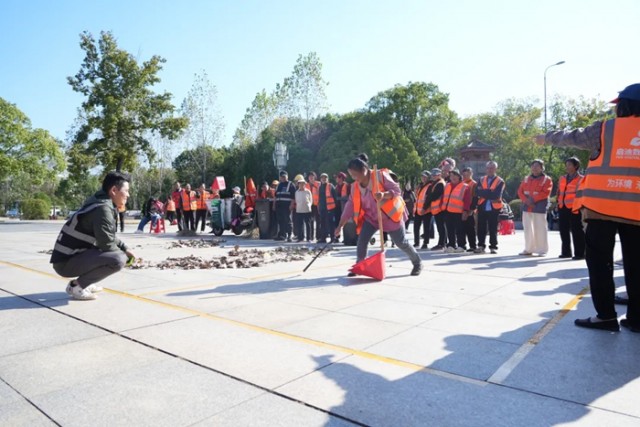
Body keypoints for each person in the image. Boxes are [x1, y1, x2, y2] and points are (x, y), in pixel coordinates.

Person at [535, 83, 640, 333]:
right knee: (637, 265)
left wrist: (546, 137)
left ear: (623, 106)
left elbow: (571, 137)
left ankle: (606, 317)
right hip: (637, 212)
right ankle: (637, 319)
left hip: (602, 209)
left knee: (600, 264)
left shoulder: (604, 129)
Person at [50, 171, 135, 301]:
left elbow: (107, 235)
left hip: (69, 257)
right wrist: (125, 255)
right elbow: (107, 244)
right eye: (126, 191)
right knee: (118, 259)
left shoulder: (99, 201)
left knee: (116, 254)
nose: (128, 195)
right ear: (114, 190)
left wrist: (125, 247)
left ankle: (86, 283)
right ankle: (77, 286)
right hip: (65, 263)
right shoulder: (103, 209)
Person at [335, 153, 423, 277]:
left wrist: (383, 195)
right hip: (372, 218)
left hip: (390, 217)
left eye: (355, 174)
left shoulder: (380, 176)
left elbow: (397, 190)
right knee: (362, 240)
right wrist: (340, 226)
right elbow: (349, 206)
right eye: (351, 175)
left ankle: (417, 263)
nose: (354, 178)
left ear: (364, 170)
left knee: (401, 242)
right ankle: (360, 265)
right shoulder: (355, 187)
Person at [517, 159, 553, 256]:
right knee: (527, 228)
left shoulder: (547, 179)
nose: (534, 168)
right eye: (533, 166)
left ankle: (542, 250)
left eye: (537, 166)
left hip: (539, 207)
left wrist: (532, 200)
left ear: (542, 168)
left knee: (540, 228)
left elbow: (546, 193)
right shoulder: (526, 178)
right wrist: (526, 201)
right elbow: (520, 191)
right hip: (527, 207)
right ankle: (528, 249)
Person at [556, 157, 585, 260]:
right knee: (563, 230)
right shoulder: (562, 178)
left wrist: (579, 207)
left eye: (569, 165)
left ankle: (580, 253)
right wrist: (557, 203)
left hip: (575, 208)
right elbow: (559, 191)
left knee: (577, 231)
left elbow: (581, 194)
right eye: (566, 165)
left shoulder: (581, 178)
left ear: (576, 166)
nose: (567, 167)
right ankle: (566, 252)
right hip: (562, 207)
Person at [475, 160, 505, 254]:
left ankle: (493, 247)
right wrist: (489, 192)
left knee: (493, 228)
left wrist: (484, 192)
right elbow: (477, 192)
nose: (489, 170)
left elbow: (496, 195)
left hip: (494, 208)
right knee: (481, 228)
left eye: (492, 168)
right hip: (482, 206)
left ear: (496, 169)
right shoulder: (481, 179)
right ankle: (481, 246)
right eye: (488, 168)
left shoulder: (500, 181)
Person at [441, 169, 471, 253]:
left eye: (455, 175)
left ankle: (461, 246)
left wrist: (465, 211)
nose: (453, 177)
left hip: (459, 212)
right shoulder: (447, 185)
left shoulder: (465, 186)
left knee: (460, 229)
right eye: (451, 176)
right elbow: (443, 197)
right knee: (450, 229)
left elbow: (467, 200)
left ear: (459, 177)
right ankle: (451, 245)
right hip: (447, 211)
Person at [427, 168, 447, 250]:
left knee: (441, 227)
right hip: (438, 209)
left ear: (439, 175)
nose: (433, 176)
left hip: (440, 208)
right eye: (433, 175)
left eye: (435, 175)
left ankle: (441, 244)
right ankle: (442, 243)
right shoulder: (436, 183)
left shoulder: (440, 184)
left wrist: (429, 196)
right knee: (440, 227)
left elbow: (434, 196)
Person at [274, 171, 296, 242]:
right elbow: (275, 196)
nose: (283, 178)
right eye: (281, 177)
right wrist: (274, 205)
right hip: (279, 206)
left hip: (287, 206)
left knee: (288, 221)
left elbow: (293, 196)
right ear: (280, 177)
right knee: (280, 221)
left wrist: (292, 205)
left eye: (284, 176)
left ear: (287, 176)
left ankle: (290, 235)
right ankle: (282, 235)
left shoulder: (291, 184)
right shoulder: (279, 185)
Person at [413, 170, 432, 249]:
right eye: (422, 176)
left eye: (425, 177)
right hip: (418, 210)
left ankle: (425, 243)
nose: (423, 178)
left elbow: (428, 198)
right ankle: (416, 243)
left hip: (426, 210)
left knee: (426, 227)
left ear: (428, 178)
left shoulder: (430, 186)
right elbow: (417, 197)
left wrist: (424, 208)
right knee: (416, 227)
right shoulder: (420, 185)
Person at [317, 173, 338, 243]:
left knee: (331, 224)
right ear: (320, 179)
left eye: (325, 178)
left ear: (327, 179)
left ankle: (333, 238)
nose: (324, 179)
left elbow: (335, 197)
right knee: (323, 224)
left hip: (330, 208)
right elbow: (319, 198)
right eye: (322, 178)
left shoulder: (330, 186)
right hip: (322, 208)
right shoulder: (320, 187)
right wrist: (319, 207)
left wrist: (334, 207)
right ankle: (323, 238)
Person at [461, 167, 478, 252]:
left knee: (470, 229)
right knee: (461, 228)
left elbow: (475, 198)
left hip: (470, 210)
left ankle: (472, 246)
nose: (465, 176)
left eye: (467, 174)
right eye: (464, 175)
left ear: (471, 174)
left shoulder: (474, 184)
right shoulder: (461, 183)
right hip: (461, 209)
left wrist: (471, 210)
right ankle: (462, 245)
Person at [294, 177, 312, 242]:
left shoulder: (308, 191)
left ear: (305, 184)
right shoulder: (296, 192)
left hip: (307, 209)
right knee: (300, 224)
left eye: (303, 183)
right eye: (300, 183)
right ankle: (300, 238)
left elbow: (311, 200)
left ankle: (308, 238)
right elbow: (296, 200)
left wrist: (309, 205)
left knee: (308, 224)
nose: (301, 185)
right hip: (299, 210)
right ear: (298, 184)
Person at [306, 172, 320, 240]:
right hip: (309, 205)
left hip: (317, 205)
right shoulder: (306, 185)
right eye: (310, 176)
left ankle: (318, 236)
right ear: (308, 178)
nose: (311, 178)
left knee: (318, 221)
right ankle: (310, 237)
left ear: (315, 177)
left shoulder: (319, 184)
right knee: (310, 221)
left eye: (312, 176)